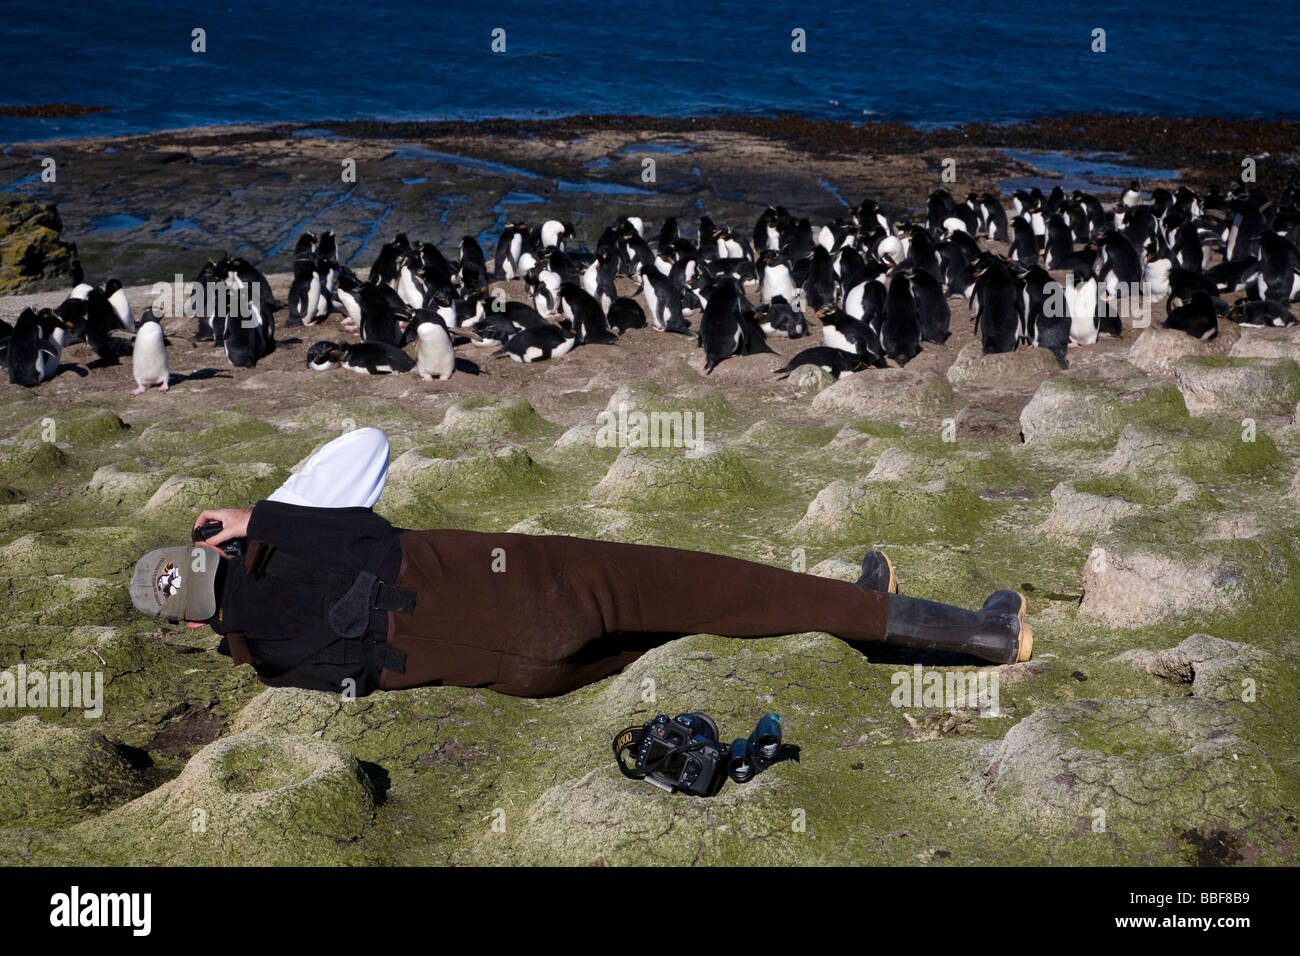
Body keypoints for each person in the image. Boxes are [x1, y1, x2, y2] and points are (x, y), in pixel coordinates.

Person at [130, 427, 1032, 697]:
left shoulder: (263, 661)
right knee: (727, 590)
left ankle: (840, 612)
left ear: (194, 622)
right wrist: (262, 513)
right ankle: (984, 637)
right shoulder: (304, 530)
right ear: (211, 547)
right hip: (538, 588)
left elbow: (258, 619)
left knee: (697, 629)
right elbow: (363, 447)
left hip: (534, 675)